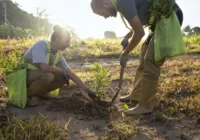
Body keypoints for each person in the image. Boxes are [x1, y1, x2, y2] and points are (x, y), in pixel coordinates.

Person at [90, 0, 183, 115]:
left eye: (101, 13)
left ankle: (146, 105)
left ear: (104, 3)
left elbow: (139, 32)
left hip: (169, 17)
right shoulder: (120, 4)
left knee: (151, 61)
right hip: (157, 22)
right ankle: (137, 95)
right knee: (143, 56)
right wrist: (127, 36)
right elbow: (139, 21)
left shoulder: (122, 3)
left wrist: (125, 53)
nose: (105, 17)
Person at [23, 25, 96, 106]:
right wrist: (60, 70)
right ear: (57, 39)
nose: (68, 45)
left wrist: (88, 90)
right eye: (67, 41)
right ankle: (27, 95)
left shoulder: (58, 55)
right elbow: (43, 68)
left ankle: (40, 93)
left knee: (64, 77)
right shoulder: (41, 44)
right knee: (48, 76)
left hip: (37, 75)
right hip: (24, 74)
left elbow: (71, 73)